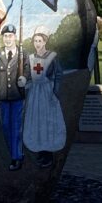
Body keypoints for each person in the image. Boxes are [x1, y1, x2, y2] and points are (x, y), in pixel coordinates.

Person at [22, 29, 65, 167]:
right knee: (37, 121)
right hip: (35, 93)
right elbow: (29, 74)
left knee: (48, 121)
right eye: (35, 41)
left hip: (47, 92)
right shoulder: (31, 57)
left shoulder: (52, 57)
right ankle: (40, 151)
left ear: (45, 41)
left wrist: (55, 93)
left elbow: (58, 75)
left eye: (40, 41)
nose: (37, 44)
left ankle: (48, 154)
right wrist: (24, 79)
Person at [0, 24, 27, 170]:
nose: (8, 39)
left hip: (17, 95)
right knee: (6, 126)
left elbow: (28, 69)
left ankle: (16, 157)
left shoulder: (22, 53)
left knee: (16, 127)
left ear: (15, 37)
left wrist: (25, 78)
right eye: (5, 36)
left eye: (10, 36)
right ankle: (15, 152)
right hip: (3, 96)